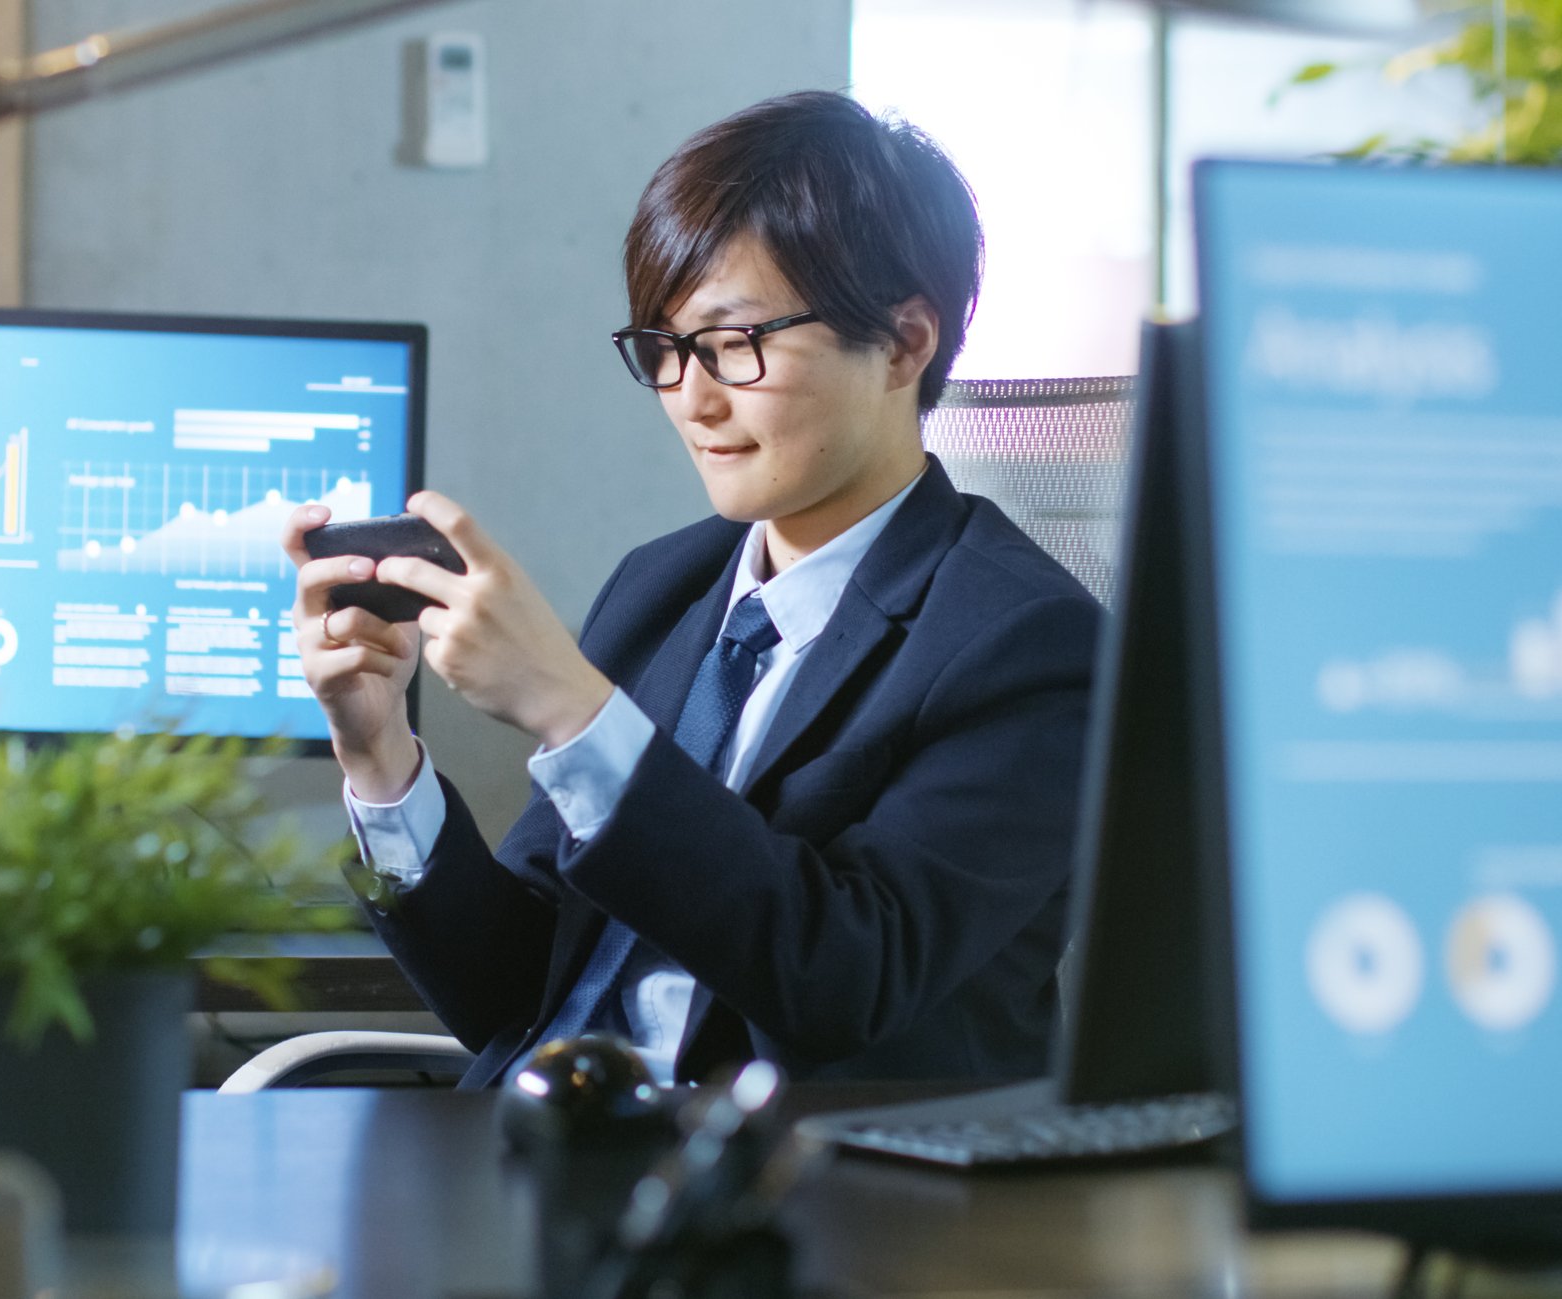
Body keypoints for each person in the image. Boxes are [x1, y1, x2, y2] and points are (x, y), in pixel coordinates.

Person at [283, 90, 1103, 1088]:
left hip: (806, 1208)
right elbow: (510, 995)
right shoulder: (665, 586)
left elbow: (846, 976)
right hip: (552, 1154)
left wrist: (571, 714)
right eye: (665, 350)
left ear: (903, 342)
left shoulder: (1031, 645)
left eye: (732, 344)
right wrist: (383, 763)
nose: (691, 398)